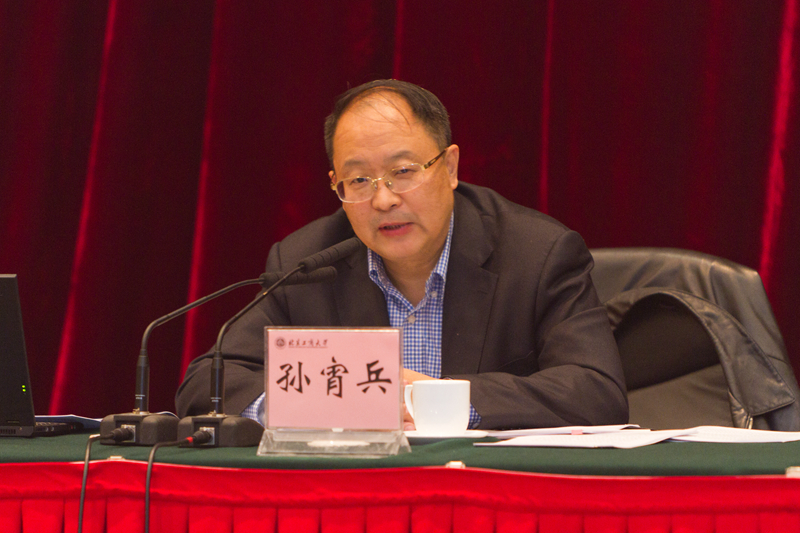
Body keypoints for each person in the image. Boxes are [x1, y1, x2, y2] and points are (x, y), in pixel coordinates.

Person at [176, 79, 628, 429]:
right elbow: (205, 384)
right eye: (358, 180)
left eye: (404, 171)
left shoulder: (537, 255)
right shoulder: (306, 262)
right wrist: (330, 400)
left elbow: (597, 391)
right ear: (336, 184)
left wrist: (442, 399)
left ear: (449, 167)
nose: (383, 199)